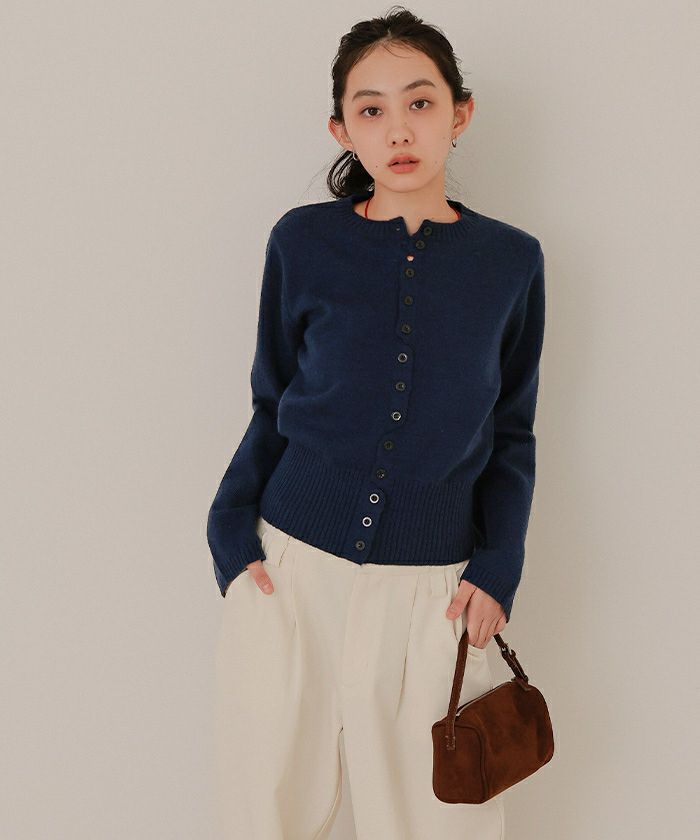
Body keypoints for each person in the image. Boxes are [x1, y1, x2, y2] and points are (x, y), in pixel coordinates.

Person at [208, 7, 545, 839]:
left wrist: (499, 565)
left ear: (459, 113)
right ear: (342, 129)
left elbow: (511, 430)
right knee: (265, 817)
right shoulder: (303, 242)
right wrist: (230, 528)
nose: (398, 129)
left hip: (434, 594)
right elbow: (271, 397)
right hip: (289, 574)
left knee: (441, 821)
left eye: (420, 102)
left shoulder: (510, 262)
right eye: (371, 109)